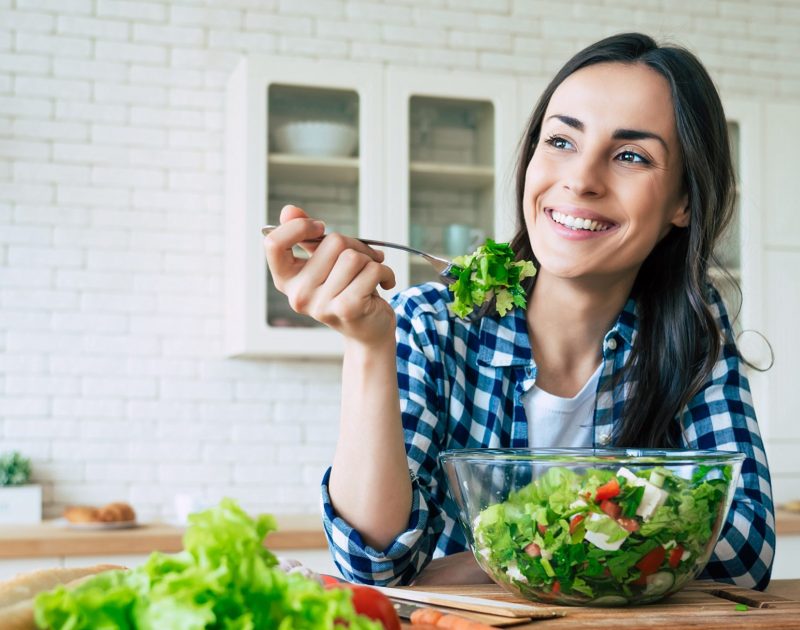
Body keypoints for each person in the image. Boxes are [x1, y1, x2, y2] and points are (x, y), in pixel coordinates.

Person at [263, 32, 775, 590]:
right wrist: (366, 345)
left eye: (631, 155)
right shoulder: (431, 324)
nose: (580, 179)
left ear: (683, 201)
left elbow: (744, 552)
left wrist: (492, 559)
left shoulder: (694, 329)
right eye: (561, 141)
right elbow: (377, 564)